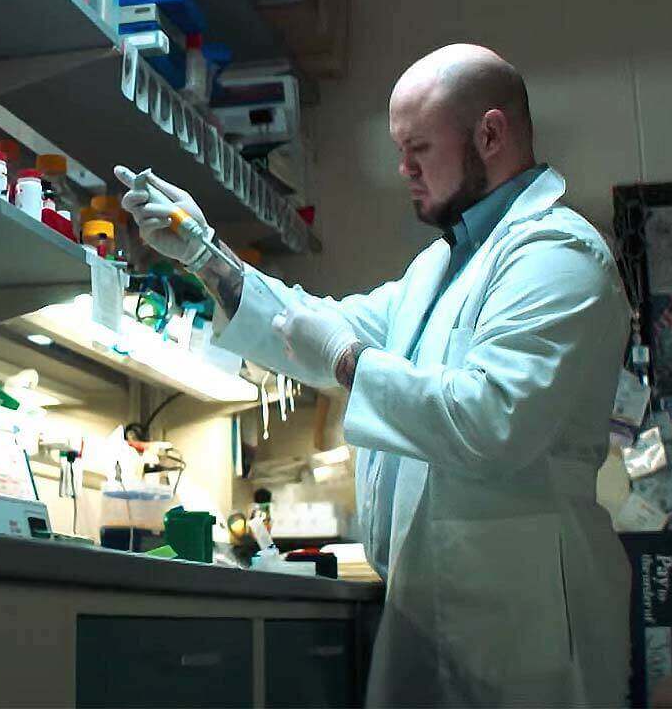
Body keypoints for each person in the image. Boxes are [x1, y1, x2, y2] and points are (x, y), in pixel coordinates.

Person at [116, 44, 630, 707]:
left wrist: (348, 361)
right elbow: (309, 325)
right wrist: (206, 255)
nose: (403, 170)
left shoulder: (557, 255)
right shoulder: (438, 270)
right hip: (443, 604)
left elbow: (490, 420)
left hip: (526, 619)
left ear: (491, 134)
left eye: (419, 147)